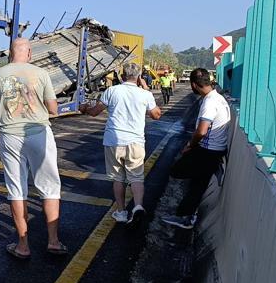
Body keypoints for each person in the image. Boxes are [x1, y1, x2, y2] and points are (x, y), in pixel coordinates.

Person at [0, 38, 67, 259]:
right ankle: (54, 241)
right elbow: (53, 109)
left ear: (10, 54)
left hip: (10, 136)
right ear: (29, 53)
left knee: (16, 188)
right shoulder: (41, 74)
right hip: (39, 133)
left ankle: (23, 245)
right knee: (49, 186)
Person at [80, 63, 162, 226]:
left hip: (113, 140)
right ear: (138, 77)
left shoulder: (112, 91)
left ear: (122, 76)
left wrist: (84, 108)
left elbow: (95, 111)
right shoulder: (144, 94)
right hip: (136, 141)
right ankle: (138, 206)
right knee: (136, 177)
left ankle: (121, 212)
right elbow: (156, 115)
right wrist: (146, 90)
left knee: (118, 178)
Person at [162, 68, 230, 229]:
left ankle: (186, 215)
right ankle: (186, 216)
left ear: (194, 85)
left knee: (176, 170)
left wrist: (190, 146)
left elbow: (201, 130)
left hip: (208, 150)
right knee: (198, 184)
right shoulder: (218, 97)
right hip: (217, 149)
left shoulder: (209, 102)